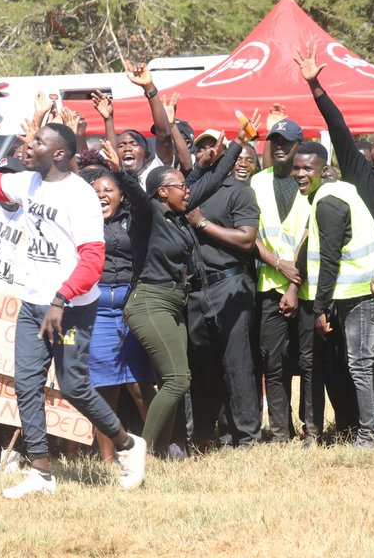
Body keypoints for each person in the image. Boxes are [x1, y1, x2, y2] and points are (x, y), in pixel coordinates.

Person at [0, 105, 147, 498]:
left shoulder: (79, 195)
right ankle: (41, 472)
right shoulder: (28, 182)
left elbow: (94, 258)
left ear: (59, 153)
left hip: (72, 309)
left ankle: (128, 445)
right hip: (33, 305)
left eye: (39, 140)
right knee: (25, 383)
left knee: (75, 387)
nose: (30, 143)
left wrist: (62, 297)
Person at [99, 62, 254, 459]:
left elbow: (214, 178)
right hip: (148, 301)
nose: (188, 189)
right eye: (181, 186)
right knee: (177, 379)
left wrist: (238, 141)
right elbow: (133, 190)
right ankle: (143, 452)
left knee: (173, 381)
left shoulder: (177, 210)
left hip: (172, 304)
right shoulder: (148, 213)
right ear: (162, 192)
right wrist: (120, 168)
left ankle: (155, 450)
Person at [293, 142, 374, 446]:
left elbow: (329, 260)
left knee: (360, 365)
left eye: (307, 168)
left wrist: (319, 309)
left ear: (325, 170)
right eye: (297, 168)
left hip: (359, 294)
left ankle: (369, 433)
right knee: (362, 364)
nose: (299, 174)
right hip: (356, 292)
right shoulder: (339, 191)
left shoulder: (328, 202)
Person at [181, 129, 262, 449]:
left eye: (213, 146)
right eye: (201, 146)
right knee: (204, 365)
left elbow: (246, 238)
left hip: (229, 283)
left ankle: (248, 436)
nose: (207, 151)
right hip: (195, 290)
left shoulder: (238, 191)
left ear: (224, 151)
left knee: (237, 364)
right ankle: (221, 433)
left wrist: (203, 224)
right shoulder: (188, 191)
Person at [78, 165, 156, 464]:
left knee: (139, 384)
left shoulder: (133, 220)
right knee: (103, 387)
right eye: (96, 191)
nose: (102, 195)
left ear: (122, 196)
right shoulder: (83, 223)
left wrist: (123, 173)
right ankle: (108, 459)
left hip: (129, 306)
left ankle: (152, 451)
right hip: (96, 309)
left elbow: (144, 203)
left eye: (108, 190)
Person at [250, 118, 309, 442]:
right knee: (273, 363)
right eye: (276, 141)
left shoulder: (311, 183)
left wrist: (293, 284)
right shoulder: (257, 182)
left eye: (287, 141)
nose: (281, 146)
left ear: (299, 144)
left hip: (305, 287)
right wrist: (278, 265)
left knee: (308, 363)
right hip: (267, 288)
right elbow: (249, 233)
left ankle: (310, 428)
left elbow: (310, 236)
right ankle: (280, 431)